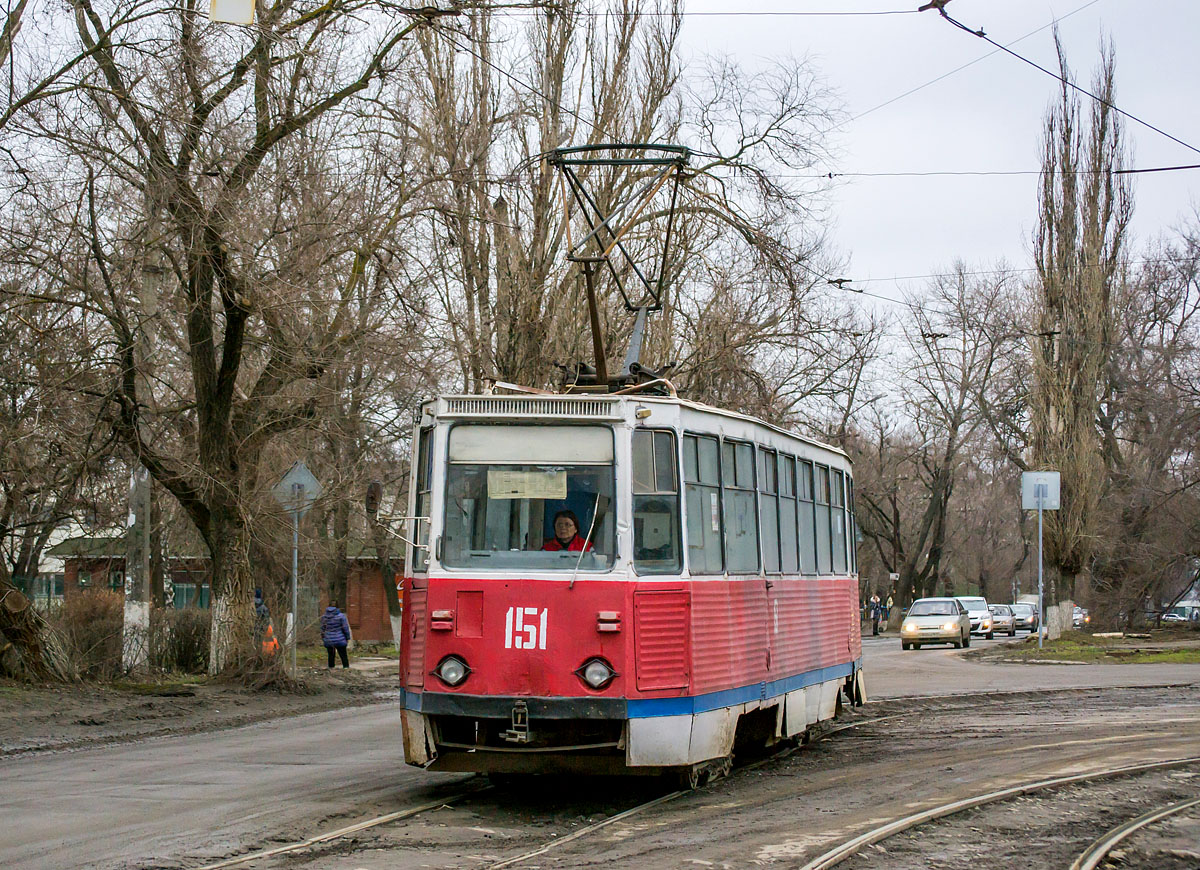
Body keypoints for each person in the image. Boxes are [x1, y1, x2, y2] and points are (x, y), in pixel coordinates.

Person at [321, 603, 352, 669]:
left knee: (331, 655)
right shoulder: (341, 616)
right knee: (343, 655)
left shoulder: (324, 617)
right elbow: (345, 628)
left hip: (329, 639)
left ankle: (331, 668)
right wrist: (347, 637)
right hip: (340, 639)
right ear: (337, 608)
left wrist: (324, 638)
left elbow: (323, 629)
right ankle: (346, 668)